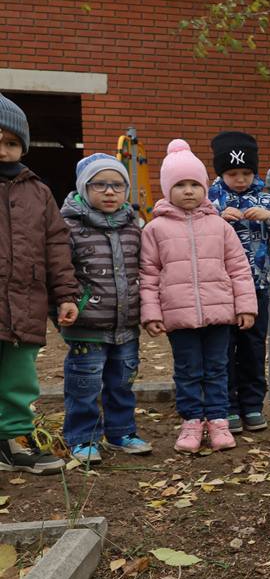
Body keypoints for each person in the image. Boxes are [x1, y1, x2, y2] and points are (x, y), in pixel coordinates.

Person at [140, 139, 257, 454]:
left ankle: (218, 419)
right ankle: (192, 421)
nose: (188, 190)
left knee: (218, 367)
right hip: (179, 317)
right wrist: (151, 313)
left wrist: (245, 306)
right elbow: (148, 275)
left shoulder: (220, 227)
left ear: (205, 187)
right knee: (188, 369)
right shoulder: (155, 230)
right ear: (167, 189)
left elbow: (239, 270)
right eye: (180, 185)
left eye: (195, 184)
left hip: (219, 314)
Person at [0, 93, 80, 474]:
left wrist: (65, 294)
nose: (3, 150)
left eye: (11, 143)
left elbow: (56, 246)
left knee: (20, 376)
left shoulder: (39, 191)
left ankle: (15, 438)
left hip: (25, 299)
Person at [60, 153, 151, 463]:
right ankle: (82, 437)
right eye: (100, 185)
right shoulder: (68, 227)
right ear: (84, 188)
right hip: (87, 323)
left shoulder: (133, 226)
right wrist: (66, 306)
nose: (110, 192)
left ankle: (121, 432)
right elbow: (60, 274)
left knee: (122, 382)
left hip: (126, 323)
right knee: (84, 385)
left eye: (117, 185)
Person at [208, 131, 270, 433]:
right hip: (219, 289)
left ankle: (251, 405)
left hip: (256, 288)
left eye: (246, 172)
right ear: (221, 172)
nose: (240, 179)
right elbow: (191, 230)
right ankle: (227, 407)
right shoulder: (210, 199)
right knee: (222, 349)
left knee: (252, 347)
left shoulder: (265, 199)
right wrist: (217, 218)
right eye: (233, 173)